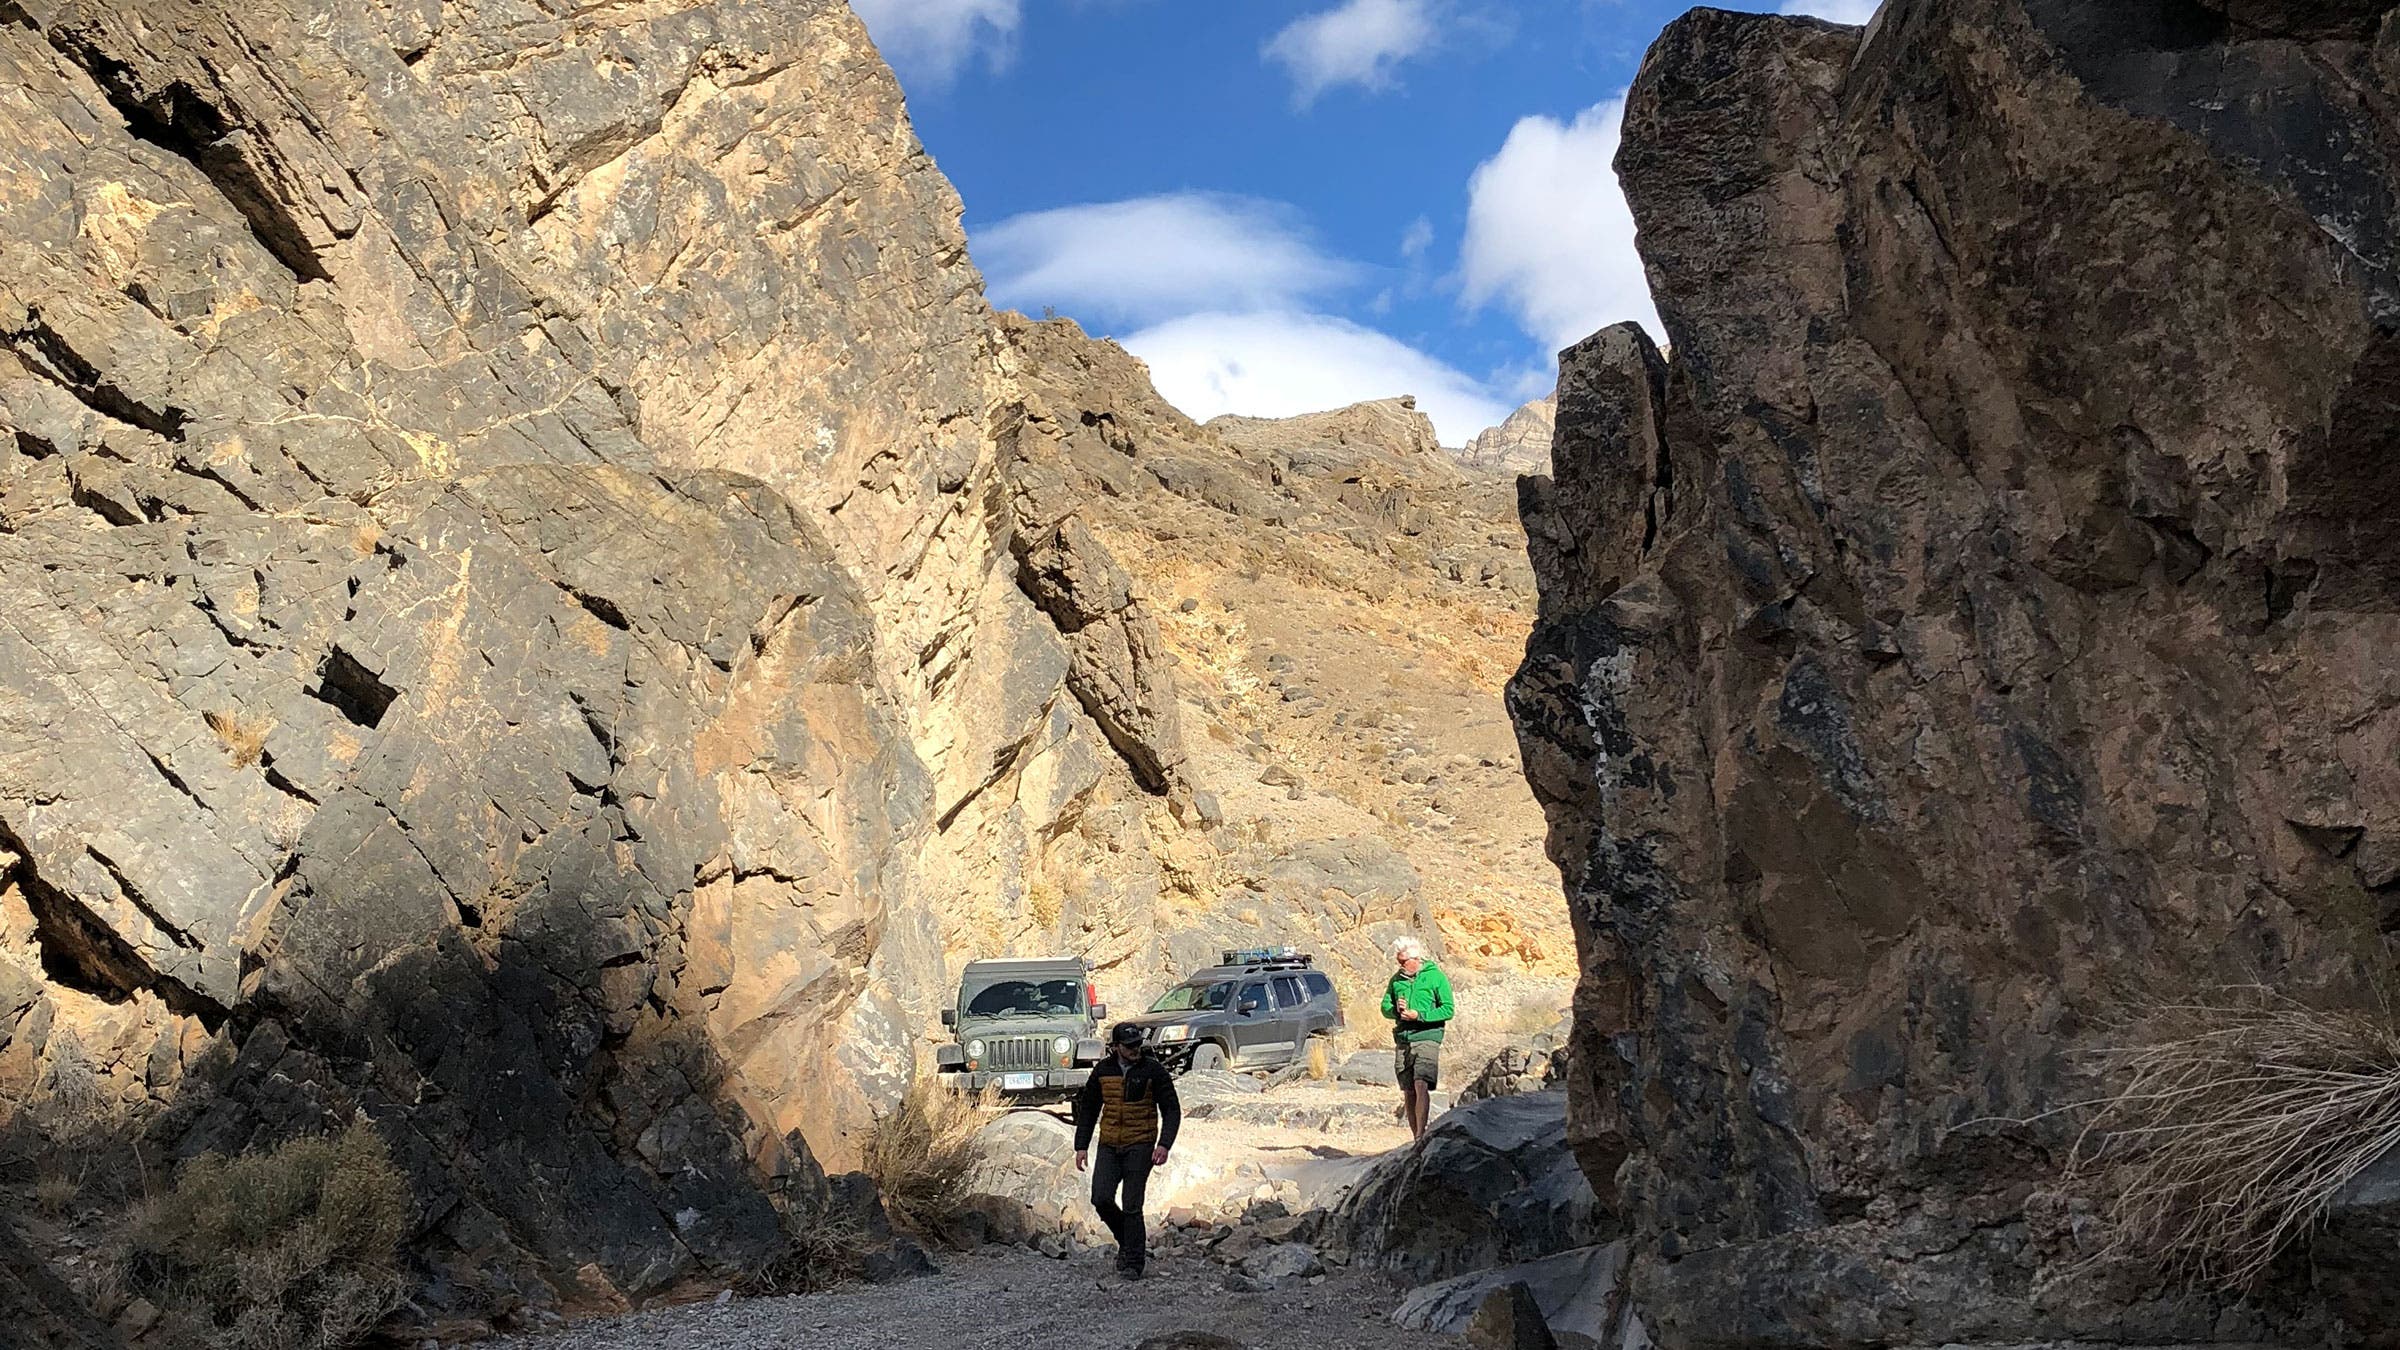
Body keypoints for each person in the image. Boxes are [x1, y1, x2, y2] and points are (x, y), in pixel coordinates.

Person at [1072, 1022, 1182, 1279]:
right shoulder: (1102, 1071)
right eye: (1130, 1046)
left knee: (1132, 1204)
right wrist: (1081, 1146)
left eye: (1137, 1044)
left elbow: (1172, 1110)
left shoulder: (1153, 1070)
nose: (1135, 1049)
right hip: (1109, 1145)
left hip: (1141, 1145)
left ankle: (1134, 1262)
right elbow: (1088, 1109)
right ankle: (1130, 1242)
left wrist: (1164, 1144)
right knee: (1100, 1198)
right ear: (1116, 1047)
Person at [1381, 936, 1454, 1139]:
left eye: (1404, 961)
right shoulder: (1396, 981)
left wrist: (1420, 1016)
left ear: (1416, 958)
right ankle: (1415, 1138)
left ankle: (1422, 1133)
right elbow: (1385, 1007)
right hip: (1404, 1037)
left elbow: (1448, 1009)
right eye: (1399, 961)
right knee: (1408, 1089)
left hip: (1428, 1036)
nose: (1401, 966)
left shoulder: (1436, 977)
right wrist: (1396, 1010)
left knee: (1421, 1083)